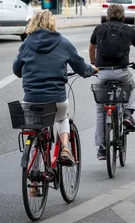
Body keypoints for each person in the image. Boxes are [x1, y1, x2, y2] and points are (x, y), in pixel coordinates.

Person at [13, 10, 97, 167]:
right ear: (52, 23)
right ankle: (65, 148)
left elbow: (17, 70)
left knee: (35, 131)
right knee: (62, 117)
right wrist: (92, 70)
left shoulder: (26, 44)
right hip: (56, 100)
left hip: (31, 100)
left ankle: (33, 183)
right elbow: (81, 67)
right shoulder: (63, 43)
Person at [89, 4, 135, 160]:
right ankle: (128, 112)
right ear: (123, 17)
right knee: (132, 88)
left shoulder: (99, 29)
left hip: (102, 73)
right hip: (122, 72)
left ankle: (102, 148)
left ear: (107, 16)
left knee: (100, 111)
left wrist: (94, 65)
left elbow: (91, 49)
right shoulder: (129, 30)